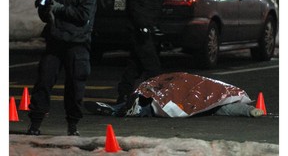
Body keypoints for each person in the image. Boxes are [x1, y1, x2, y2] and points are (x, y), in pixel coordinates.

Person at [27, 0, 96, 136]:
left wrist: (59, 8)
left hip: (77, 43)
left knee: (75, 85)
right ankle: (35, 124)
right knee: (43, 81)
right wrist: (43, 6)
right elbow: (45, 17)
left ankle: (73, 126)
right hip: (55, 41)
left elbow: (83, 16)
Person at [85, 72, 264, 118]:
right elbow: (231, 109)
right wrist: (250, 111)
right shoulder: (227, 94)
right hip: (188, 88)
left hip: (182, 83)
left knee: (155, 100)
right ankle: (129, 109)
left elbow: (230, 108)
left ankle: (117, 109)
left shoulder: (225, 93)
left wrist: (250, 111)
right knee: (157, 106)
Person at [116, 0, 165, 104]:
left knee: (135, 64)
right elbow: (138, 7)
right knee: (152, 66)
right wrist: (144, 26)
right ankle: (155, 98)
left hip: (141, 29)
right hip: (141, 30)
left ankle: (124, 95)